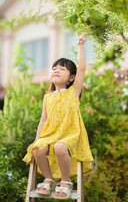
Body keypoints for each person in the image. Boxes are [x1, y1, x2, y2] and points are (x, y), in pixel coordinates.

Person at [23, 32, 94, 199]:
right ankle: (48, 179)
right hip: (50, 134)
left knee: (60, 147)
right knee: (39, 148)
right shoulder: (48, 98)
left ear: (72, 78)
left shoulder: (73, 92)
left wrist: (81, 45)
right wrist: (36, 140)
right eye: (54, 69)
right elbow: (43, 121)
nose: (56, 71)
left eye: (62, 69)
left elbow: (82, 68)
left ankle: (65, 181)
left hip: (69, 134)